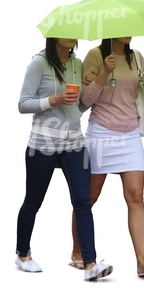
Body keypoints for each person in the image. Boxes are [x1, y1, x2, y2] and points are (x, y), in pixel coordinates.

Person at [16, 38, 113, 281]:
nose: (72, 37)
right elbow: (22, 104)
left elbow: (79, 106)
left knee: (83, 202)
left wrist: (101, 79)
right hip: (43, 143)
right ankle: (22, 254)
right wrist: (54, 100)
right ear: (54, 37)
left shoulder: (77, 64)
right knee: (33, 201)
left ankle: (90, 263)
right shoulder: (39, 63)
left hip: (75, 143)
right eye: (66, 32)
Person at [70, 37, 144, 277]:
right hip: (101, 133)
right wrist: (105, 72)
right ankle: (77, 253)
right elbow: (86, 100)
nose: (129, 33)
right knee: (88, 197)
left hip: (130, 134)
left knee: (136, 196)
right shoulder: (95, 55)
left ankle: (143, 261)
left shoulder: (136, 57)